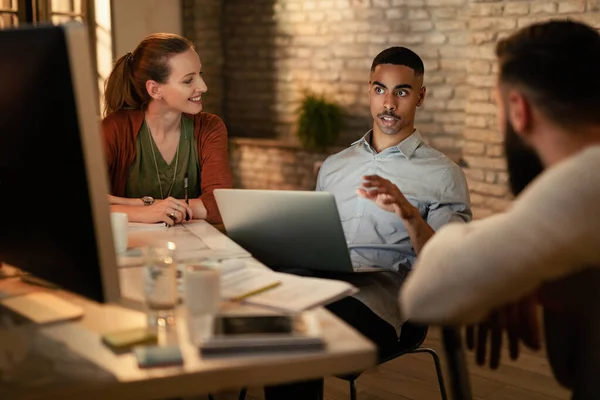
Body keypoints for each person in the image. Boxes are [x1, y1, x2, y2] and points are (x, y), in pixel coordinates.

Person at [396, 20, 600, 397]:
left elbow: (423, 293)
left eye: (496, 108)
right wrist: (528, 271)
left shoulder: (586, 181)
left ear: (518, 110)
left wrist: (503, 269)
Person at [264, 46, 472, 400]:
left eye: (401, 92)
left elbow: (447, 266)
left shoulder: (443, 174)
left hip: (380, 302)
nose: (388, 103)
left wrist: (408, 213)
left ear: (420, 96)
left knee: (295, 331)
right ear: (369, 91)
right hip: (316, 282)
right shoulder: (334, 165)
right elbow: (317, 237)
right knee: (259, 307)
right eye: (380, 89)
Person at [101, 33, 233, 226]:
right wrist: (145, 211)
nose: (203, 87)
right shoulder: (115, 129)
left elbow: (221, 205)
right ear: (155, 90)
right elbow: (80, 201)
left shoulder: (209, 128)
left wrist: (140, 206)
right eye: (188, 80)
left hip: (196, 245)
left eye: (200, 75)